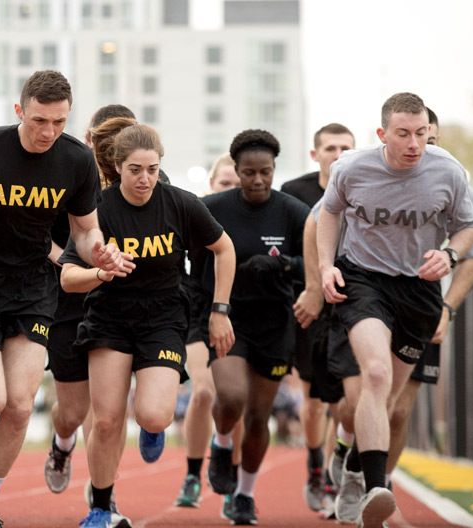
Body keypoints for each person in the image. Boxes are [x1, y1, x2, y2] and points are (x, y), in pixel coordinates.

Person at [0, 70, 129, 528]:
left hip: (35, 289)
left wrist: (102, 252)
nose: (48, 132)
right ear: (19, 111)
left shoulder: (75, 159)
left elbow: (85, 227)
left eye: (58, 122)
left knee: (18, 406)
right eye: (39, 120)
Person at [60, 118, 235, 528]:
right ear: (118, 167)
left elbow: (224, 249)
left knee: (154, 415)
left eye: (152, 169)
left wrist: (219, 310)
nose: (145, 178)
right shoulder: (98, 209)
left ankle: (152, 427)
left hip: (163, 317)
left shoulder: (180, 203)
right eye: (136, 170)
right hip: (109, 317)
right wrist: (101, 273)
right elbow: (68, 278)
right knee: (105, 421)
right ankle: (100, 508)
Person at [318, 92, 473, 528]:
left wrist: (450, 255)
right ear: (382, 133)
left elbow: (467, 228)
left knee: (388, 400)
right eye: (403, 134)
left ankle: (352, 469)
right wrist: (325, 265)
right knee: (374, 375)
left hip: (420, 289)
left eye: (422, 133)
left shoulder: (447, 170)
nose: (414, 144)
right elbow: (329, 213)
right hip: (364, 279)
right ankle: (375, 487)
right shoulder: (352, 167)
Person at [197, 129, 310, 525]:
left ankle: (245, 494)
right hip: (229, 317)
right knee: (231, 396)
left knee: (260, 416)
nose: (258, 180)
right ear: (237, 170)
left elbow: (314, 265)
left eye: (266, 172)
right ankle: (222, 442)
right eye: (249, 173)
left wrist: (283, 265)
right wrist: (204, 306)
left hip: (275, 323)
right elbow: (193, 262)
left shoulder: (294, 212)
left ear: (274, 169)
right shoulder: (212, 208)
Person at [385, 108, 473, 489]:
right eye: (409, 137)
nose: (420, 147)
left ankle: (378, 486)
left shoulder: (454, 184)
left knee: (397, 410)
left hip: (422, 306)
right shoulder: (366, 177)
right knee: (361, 397)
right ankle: (345, 464)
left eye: (430, 140)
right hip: (370, 301)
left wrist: (447, 309)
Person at [45, 103, 136, 527]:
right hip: (66, 302)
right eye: (103, 140)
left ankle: (105, 496)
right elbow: (44, 235)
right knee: (73, 411)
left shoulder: (148, 180)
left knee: (108, 413)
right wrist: (79, 262)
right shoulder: (66, 174)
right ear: (90, 141)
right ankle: (62, 443)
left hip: (116, 311)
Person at [282, 123, 355, 513]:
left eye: (346, 146)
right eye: (330, 147)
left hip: (355, 304)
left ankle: (336, 464)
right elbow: (284, 251)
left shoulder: (365, 184)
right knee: (313, 400)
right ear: (316, 154)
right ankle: (315, 467)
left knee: (345, 398)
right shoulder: (295, 194)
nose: (338, 153)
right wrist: (311, 285)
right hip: (309, 306)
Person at [175, 149, 241, 509]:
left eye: (237, 184)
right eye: (224, 183)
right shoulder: (195, 213)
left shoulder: (254, 215)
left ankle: (232, 483)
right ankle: (192, 474)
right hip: (199, 308)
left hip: (241, 311)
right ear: (212, 185)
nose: (231, 190)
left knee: (234, 399)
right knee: (204, 392)